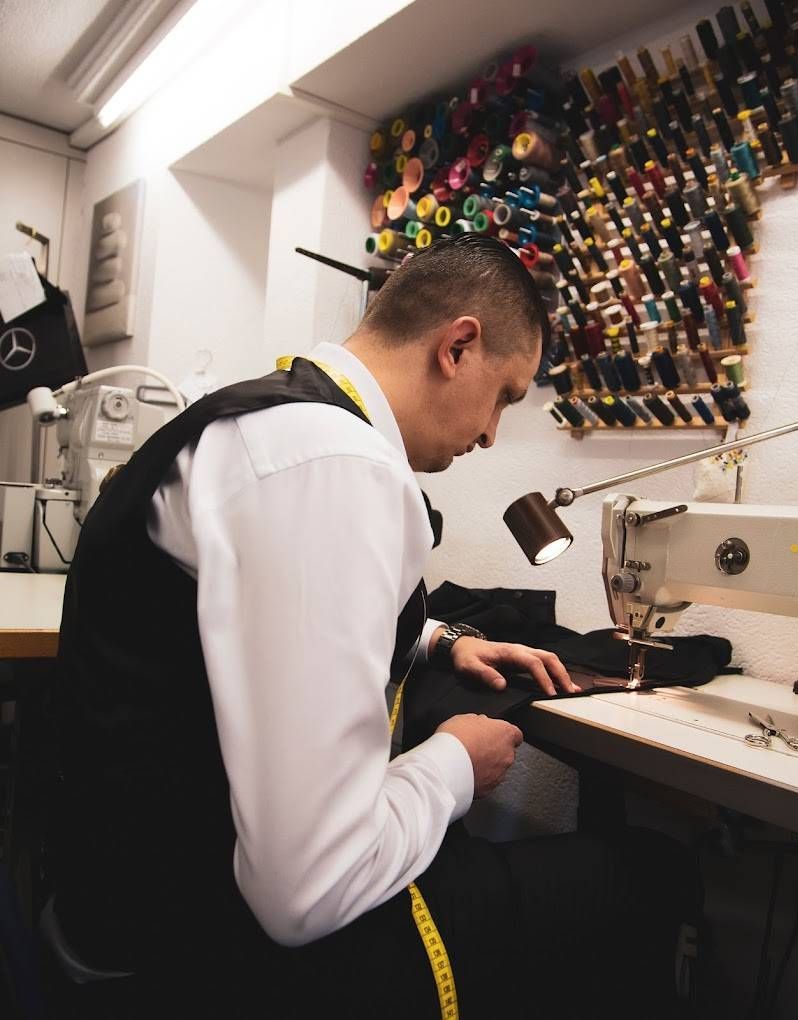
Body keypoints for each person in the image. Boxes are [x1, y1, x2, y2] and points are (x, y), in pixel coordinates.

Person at [52, 235, 698, 1018]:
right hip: (193, 947)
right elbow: (307, 891)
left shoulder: (267, 420)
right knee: (644, 875)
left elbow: (252, 614)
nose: (493, 434)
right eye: (505, 395)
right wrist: (455, 765)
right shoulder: (333, 463)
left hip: (109, 888)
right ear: (458, 346)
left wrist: (440, 639)